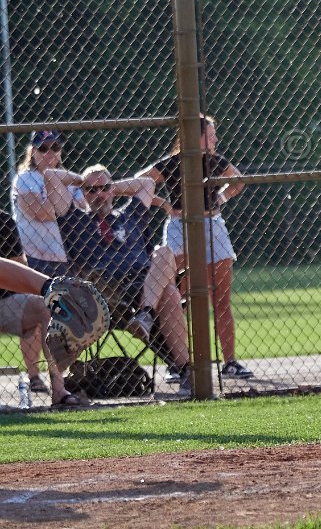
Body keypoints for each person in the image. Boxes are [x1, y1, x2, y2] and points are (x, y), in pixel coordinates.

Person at [43, 165, 193, 395]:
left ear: (112, 190)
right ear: (84, 193)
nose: (99, 194)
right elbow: (51, 176)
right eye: (92, 190)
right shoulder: (74, 219)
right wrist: (83, 181)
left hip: (143, 284)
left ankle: (146, 316)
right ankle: (185, 370)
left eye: (104, 189)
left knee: (163, 253)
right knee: (170, 293)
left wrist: (109, 186)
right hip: (105, 290)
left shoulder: (130, 215)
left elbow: (147, 184)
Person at [136, 115, 251, 378]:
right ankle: (180, 363)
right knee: (178, 298)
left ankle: (230, 362)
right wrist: (164, 204)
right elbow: (140, 182)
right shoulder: (172, 162)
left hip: (213, 224)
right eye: (210, 135)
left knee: (221, 299)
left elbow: (238, 180)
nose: (215, 139)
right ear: (195, 137)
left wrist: (222, 196)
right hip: (181, 225)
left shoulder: (214, 160)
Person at [0, 208, 79, 406]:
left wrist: (50, 289)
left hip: (4, 302)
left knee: (46, 307)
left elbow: (18, 266)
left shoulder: (3, 220)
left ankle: (59, 390)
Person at [11, 130, 83, 277]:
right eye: (43, 148)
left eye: (55, 147)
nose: (50, 153)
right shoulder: (25, 178)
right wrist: (68, 208)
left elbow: (84, 211)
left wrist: (63, 208)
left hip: (70, 257)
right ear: (33, 152)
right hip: (36, 258)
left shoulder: (67, 178)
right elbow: (40, 213)